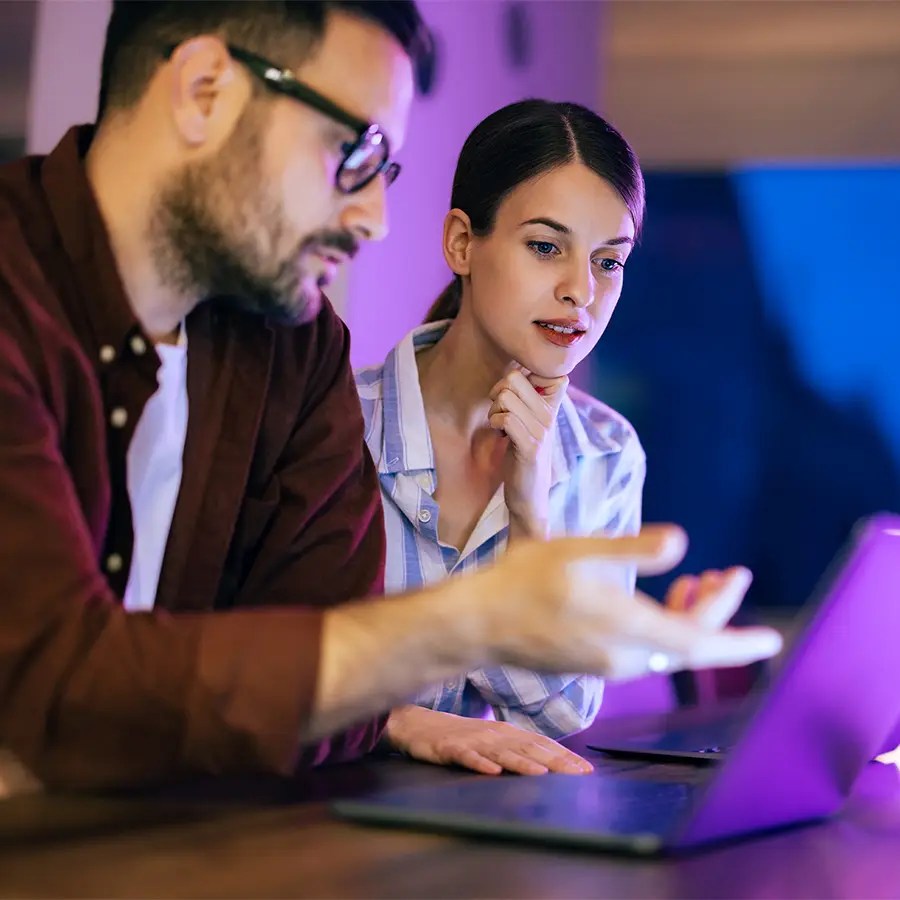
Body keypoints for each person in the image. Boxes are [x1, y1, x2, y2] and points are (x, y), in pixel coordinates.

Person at [0, 0, 780, 792]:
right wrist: (469, 622)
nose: (374, 220)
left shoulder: (293, 352)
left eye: (386, 168)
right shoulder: (23, 295)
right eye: (355, 149)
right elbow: (58, 681)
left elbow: (304, 683)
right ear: (203, 91)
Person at [357, 100, 757, 777]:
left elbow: (559, 717)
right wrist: (394, 719)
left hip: (489, 836)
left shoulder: (606, 451)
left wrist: (529, 513)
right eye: (546, 247)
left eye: (609, 262)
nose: (581, 291)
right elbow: (273, 667)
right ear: (461, 242)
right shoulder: (337, 420)